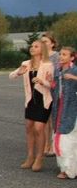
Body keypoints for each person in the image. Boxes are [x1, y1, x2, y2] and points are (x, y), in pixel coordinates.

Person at [10, 40, 54, 172]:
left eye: (36, 46)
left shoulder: (48, 65)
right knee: (29, 127)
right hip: (30, 100)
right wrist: (19, 72)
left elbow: (51, 85)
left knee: (39, 128)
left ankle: (39, 157)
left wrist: (42, 81)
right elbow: (11, 76)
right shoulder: (26, 64)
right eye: (32, 46)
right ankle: (30, 156)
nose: (32, 48)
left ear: (42, 50)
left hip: (43, 100)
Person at [51, 47, 77, 179]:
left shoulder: (75, 70)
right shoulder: (58, 71)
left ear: (72, 57)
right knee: (59, 138)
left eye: (65, 54)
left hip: (72, 110)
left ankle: (70, 170)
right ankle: (64, 168)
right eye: (60, 54)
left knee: (68, 140)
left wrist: (74, 77)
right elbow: (54, 89)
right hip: (59, 109)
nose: (61, 56)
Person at [41, 33, 59, 157]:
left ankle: (54, 144)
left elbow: (59, 72)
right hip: (43, 89)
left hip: (55, 89)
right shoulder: (40, 56)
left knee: (54, 118)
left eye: (46, 41)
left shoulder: (57, 56)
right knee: (45, 119)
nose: (43, 44)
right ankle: (46, 143)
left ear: (52, 43)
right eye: (42, 41)